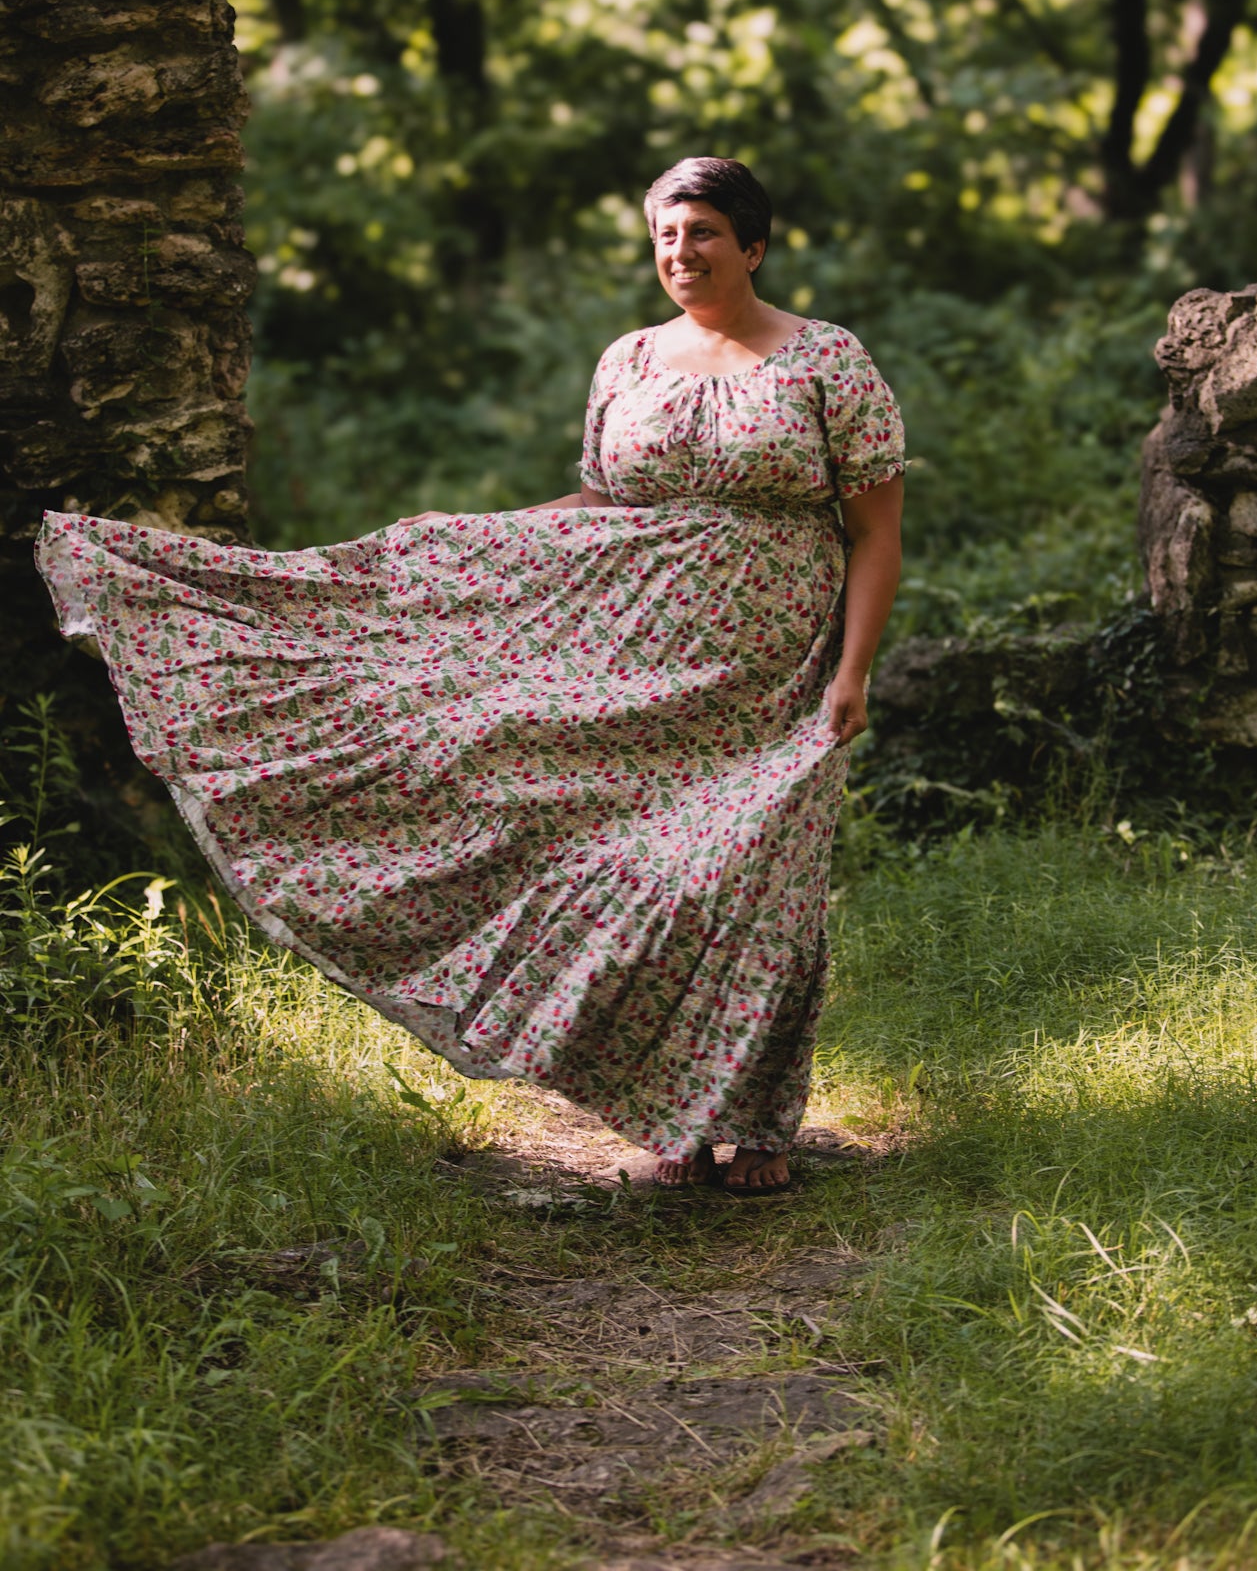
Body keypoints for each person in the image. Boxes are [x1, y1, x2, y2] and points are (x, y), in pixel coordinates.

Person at [36, 156, 904, 1196]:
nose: (682, 252)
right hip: (627, 655)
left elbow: (874, 532)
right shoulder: (628, 359)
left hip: (775, 665)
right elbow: (600, 505)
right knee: (613, 858)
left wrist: (852, 669)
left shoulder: (827, 361)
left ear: (755, 245)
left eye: (706, 232)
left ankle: (757, 1118)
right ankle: (679, 1105)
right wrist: (462, 541)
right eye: (668, 234)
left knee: (751, 877)